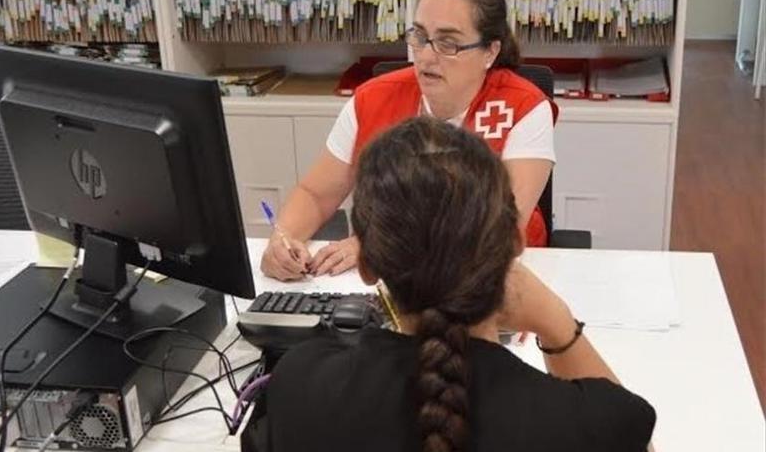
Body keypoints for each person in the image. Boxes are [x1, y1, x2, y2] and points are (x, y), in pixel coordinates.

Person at [243, 118, 655, 452]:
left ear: (366, 264)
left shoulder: (301, 385)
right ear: (515, 244)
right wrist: (558, 324)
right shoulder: (586, 423)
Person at [261, 0, 558, 281]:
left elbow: (498, 228)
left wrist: (377, 245)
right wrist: (282, 241)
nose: (426, 56)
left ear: (490, 52)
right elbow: (315, 194)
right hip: (382, 283)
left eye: (448, 43)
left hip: (494, 280)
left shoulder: (524, 106)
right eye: (419, 36)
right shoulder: (372, 98)